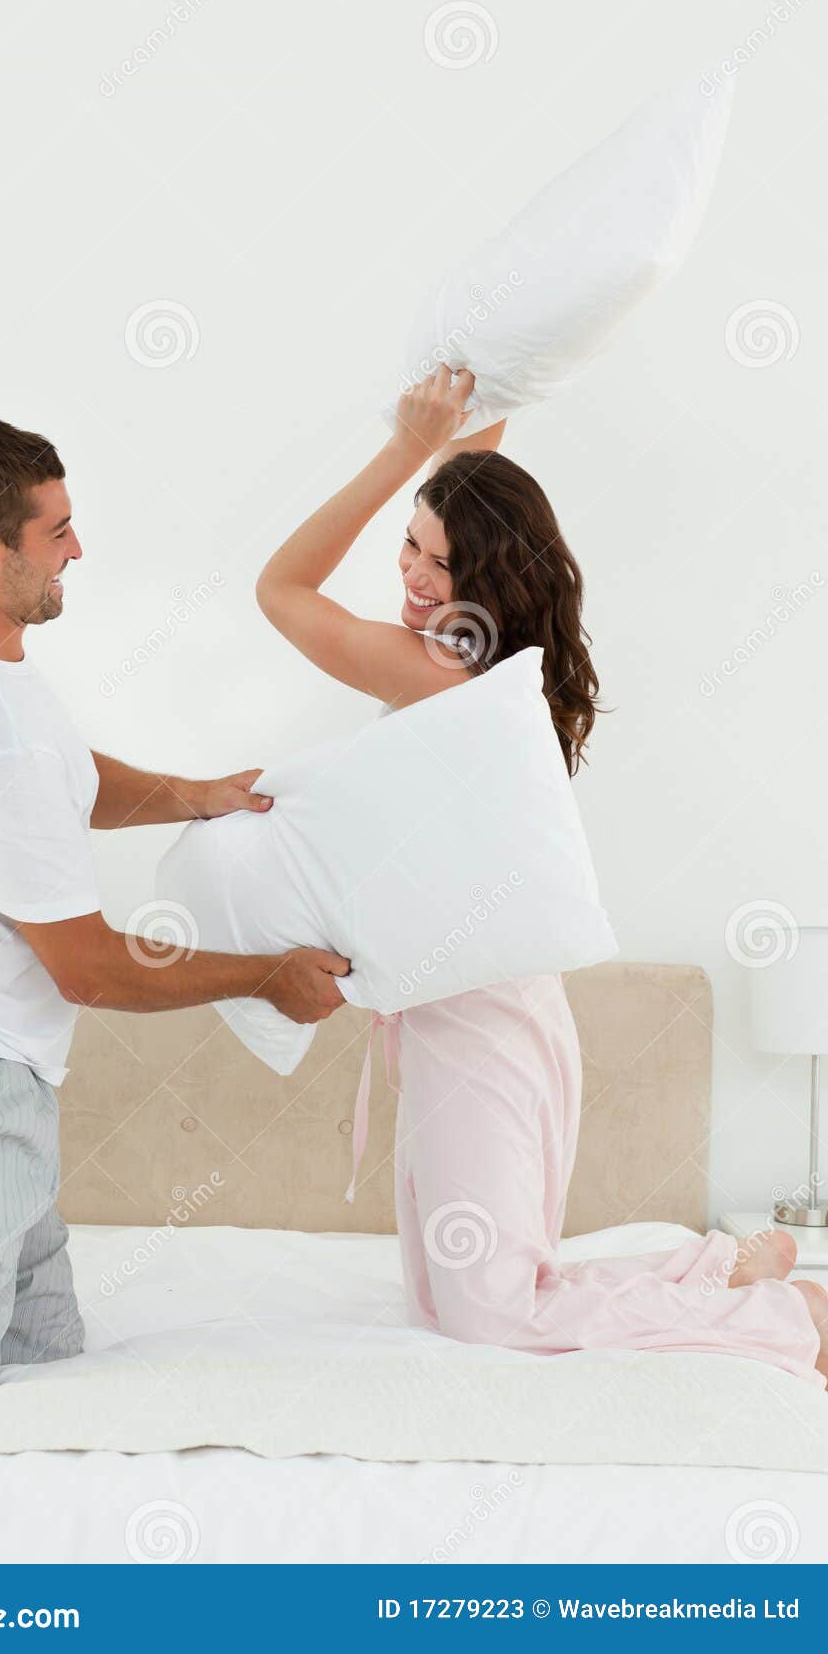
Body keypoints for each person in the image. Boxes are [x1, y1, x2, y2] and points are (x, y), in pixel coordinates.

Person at [255, 365, 828, 1390]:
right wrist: (488, 380)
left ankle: (790, 1319)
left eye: (441, 560)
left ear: (489, 577)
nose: (415, 575)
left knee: (495, 1313)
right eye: (410, 544)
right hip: (449, 1021)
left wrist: (403, 447)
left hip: (486, 1028)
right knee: (451, 1298)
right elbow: (479, 486)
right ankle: (728, 1266)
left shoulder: (448, 674)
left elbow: (280, 589)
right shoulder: (493, 656)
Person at [0, 415, 349, 1399]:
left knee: (44, 1348)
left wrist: (192, 793)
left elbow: (60, 778)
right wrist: (268, 976)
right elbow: (87, 966)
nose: (78, 550)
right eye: (56, 531)